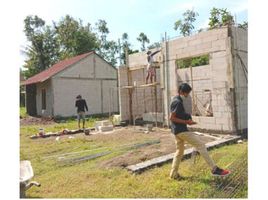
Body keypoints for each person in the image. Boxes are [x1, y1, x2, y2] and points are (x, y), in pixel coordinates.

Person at [169, 83, 230, 180]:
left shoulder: (176, 100)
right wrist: (186, 121)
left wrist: (187, 118)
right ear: (181, 91)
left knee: (179, 152)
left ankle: (173, 174)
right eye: (186, 93)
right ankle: (214, 169)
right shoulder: (177, 102)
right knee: (200, 145)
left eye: (188, 93)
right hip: (181, 131)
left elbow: (178, 115)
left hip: (176, 131)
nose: (187, 95)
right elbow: (172, 118)